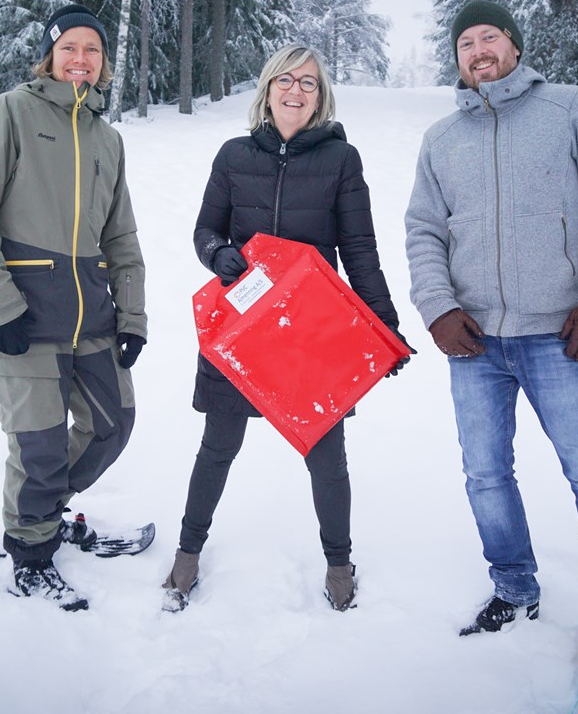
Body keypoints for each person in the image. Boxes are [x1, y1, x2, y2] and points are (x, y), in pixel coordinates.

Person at [404, 1, 578, 692]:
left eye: (490, 37)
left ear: (514, 45)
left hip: (559, 335)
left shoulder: (569, 108)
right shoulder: (441, 137)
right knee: (485, 473)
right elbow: (423, 228)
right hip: (475, 341)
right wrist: (438, 308)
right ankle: (514, 587)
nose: (478, 50)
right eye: (465, 42)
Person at [161, 45, 411, 613]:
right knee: (217, 447)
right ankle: (187, 554)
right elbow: (205, 230)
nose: (296, 91)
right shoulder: (232, 155)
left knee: (327, 457)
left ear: (321, 97)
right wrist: (218, 254)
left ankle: (339, 563)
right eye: (286, 80)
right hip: (242, 331)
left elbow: (361, 250)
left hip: (309, 335)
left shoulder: (341, 160)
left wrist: (385, 326)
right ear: (267, 87)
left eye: (310, 83)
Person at [0, 3, 147, 612]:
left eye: (93, 49)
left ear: (104, 61)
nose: (81, 59)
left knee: (112, 428)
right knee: (37, 445)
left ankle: (45, 511)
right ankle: (31, 552)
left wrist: (133, 317)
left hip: (93, 318)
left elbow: (122, 239)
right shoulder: (10, 113)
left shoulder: (107, 139)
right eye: (70, 47)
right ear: (50, 56)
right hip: (25, 319)